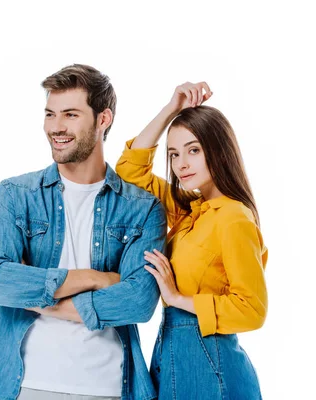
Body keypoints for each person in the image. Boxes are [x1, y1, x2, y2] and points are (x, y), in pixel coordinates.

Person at [0, 64, 167, 400]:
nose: (56, 127)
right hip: (23, 384)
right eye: (50, 114)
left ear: (104, 119)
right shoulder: (14, 195)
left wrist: (40, 299)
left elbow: (138, 301)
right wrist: (95, 277)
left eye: (70, 114)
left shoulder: (143, 209)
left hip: (108, 388)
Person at [116, 82, 268, 399]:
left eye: (194, 150)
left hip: (210, 365)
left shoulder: (233, 217)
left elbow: (252, 310)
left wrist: (176, 298)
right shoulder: (189, 210)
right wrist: (172, 108)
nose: (181, 163)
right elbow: (130, 173)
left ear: (219, 151)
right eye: (174, 154)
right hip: (173, 355)